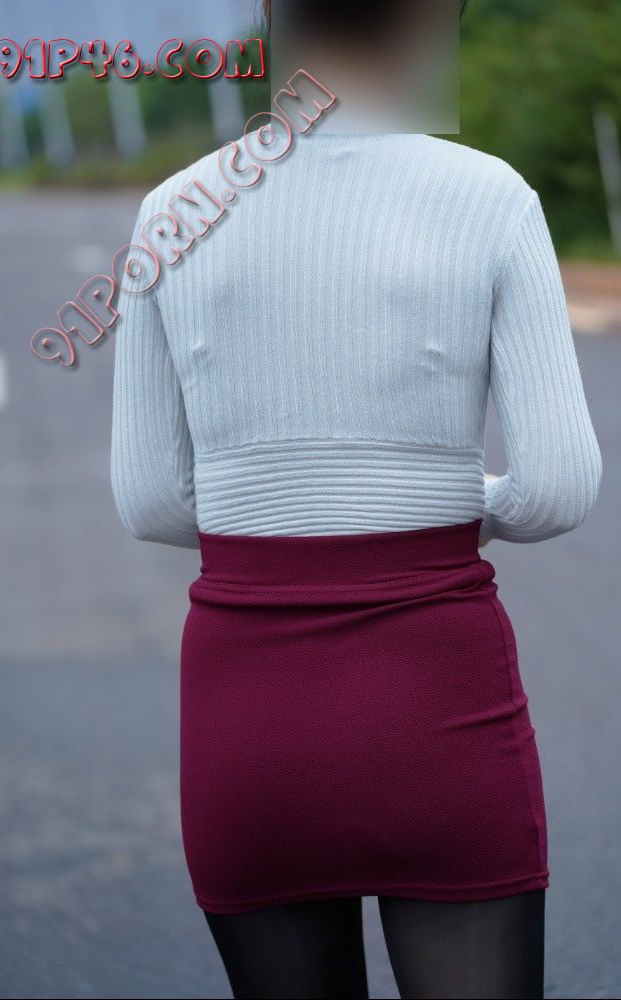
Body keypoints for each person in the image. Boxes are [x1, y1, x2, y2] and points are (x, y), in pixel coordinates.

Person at [109, 2, 602, 996]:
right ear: (428, 19)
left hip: (249, 717)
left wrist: (290, 501)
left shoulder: (173, 209)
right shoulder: (490, 196)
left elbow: (152, 500)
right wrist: (427, 495)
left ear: (272, 16)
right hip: (438, 699)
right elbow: (555, 488)